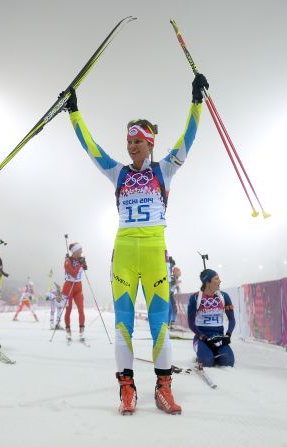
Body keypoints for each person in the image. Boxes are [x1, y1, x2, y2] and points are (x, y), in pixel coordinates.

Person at [64, 72, 208, 415]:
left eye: (138, 142)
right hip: (125, 255)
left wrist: (196, 102)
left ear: (150, 143)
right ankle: (126, 389)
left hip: (155, 255)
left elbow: (188, 138)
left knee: (159, 326)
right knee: (123, 326)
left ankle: (163, 388)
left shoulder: (165, 170)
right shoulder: (118, 173)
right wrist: (74, 113)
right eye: (129, 142)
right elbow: (90, 147)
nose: (131, 147)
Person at [187, 269, 236, 368]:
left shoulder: (224, 296)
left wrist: (228, 335)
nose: (220, 281)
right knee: (207, 362)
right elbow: (191, 324)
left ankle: (214, 354)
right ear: (208, 282)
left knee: (228, 362)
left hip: (219, 338)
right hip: (202, 339)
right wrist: (202, 336)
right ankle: (204, 355)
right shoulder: (195, 298)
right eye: (216, 279)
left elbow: (232, 319)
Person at [63, 243, 87, 342]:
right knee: (68, 310)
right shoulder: (67, 261)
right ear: (75, 251)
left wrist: (83, 262)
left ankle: (81, 332)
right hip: (68, 288)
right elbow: (73, 273)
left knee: (81, 310)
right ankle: (68, 331)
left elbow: (85, 268)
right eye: (79, 250)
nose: (81, 252)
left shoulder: (80, 259)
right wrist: (79, 264)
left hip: (78, 288)